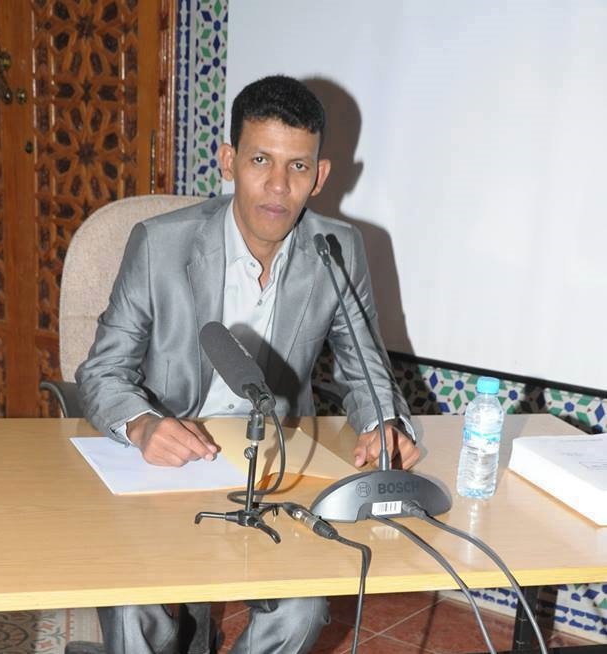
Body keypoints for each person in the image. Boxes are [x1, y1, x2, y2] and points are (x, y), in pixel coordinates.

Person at [76, 74, 420, 654]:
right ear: (229, 160)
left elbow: (366, 369)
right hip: (165, 462)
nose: (278, 186)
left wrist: (384, 422)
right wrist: (141, 424)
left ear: (320, 176)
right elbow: (101, 371)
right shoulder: (159, 245)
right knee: (133, 601)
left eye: (298, 167)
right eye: (261, 160)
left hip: (274, 465)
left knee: (302, 608)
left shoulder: (336, 249)